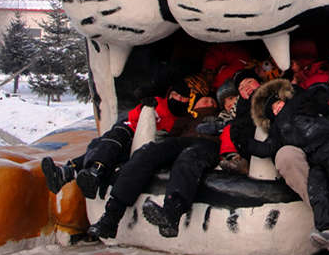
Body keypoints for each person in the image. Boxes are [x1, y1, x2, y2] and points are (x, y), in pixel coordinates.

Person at [88, 75, 221, 239]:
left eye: (213, 102)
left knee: (188, 158)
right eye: (205, 100)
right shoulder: (185, 117)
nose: (209, 103)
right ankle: (111, 216)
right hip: (181, 140)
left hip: (208, 144)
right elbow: (169, 131)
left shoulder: (221, 116)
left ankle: (171, 214)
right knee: (147, 152)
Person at [41, 76, 209, 198]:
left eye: (182, 98)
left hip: (144, 144)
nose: (178, 99)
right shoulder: (158, 103)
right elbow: (133, 118)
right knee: (110, 142)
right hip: (131, 132)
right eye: (175, 96)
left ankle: (72, 172)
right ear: (169, 94)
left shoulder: (182, 119)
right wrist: (145, 109)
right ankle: (83, 171)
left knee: (110, 147)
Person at [257, 77, 329, 251]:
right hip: (310, 157)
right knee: (317, 187)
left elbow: (324, 106)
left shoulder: (304, 106)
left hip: (327, 145)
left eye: (278, 104)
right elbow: (269, 146)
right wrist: (249, 145)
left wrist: (314, 96)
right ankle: (327, 227)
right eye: (274, 110)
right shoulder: (279, 127)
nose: (278, 109)